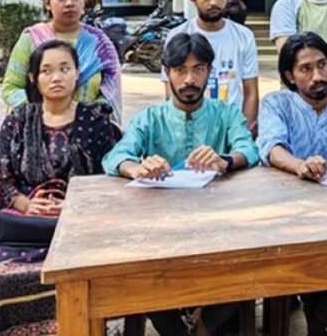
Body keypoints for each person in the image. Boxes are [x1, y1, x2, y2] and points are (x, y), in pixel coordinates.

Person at [103, 32, 258, 335]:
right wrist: (136, 168)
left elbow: (250, 149)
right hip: (163, 230)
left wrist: (225, 160)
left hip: (221, 225)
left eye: (198, 69)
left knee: (249, 267)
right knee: (141, 275)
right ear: (167, 72)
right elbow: (115, 156)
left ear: (209, 71)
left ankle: (205, 324)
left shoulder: (226, 113)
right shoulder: (150, 118)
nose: (189, 79)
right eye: (180, 70)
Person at [0, 40, 121, 335]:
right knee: (0, 279)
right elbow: (1, 182)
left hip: (81, 230)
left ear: (77, 73)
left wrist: (74, 205)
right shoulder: (17, 122)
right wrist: (26, 203)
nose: (56, 77)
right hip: (26, 232)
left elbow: (114, 180)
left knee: (81, 276)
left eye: (64, 69)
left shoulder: (97, 121)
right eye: (47, 71)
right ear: (33, 77)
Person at [258, 32, 327, 335]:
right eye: (306, 69)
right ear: (290, 76)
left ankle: (320, 315)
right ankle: (315, 315)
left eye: (322, 65)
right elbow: (272, 147)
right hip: (286, 212)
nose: (317, 76)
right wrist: (300, 166)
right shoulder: (276, 104)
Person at [3, 0, 123, 121]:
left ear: (84, 0)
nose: (69, 3)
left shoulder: (99, 43)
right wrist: (41, 114)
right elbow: (11, 87)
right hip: (39, 125)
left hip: (88, 127)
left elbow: (111, 85)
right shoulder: (31, 39)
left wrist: (91, 113)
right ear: (47, 3)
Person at [162, 0, 259, 131]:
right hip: (190, 129)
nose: (213, 2)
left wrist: (243, 135)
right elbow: (171, 91)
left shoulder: (244, 36)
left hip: (231, 130)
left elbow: (251, 93)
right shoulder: (177, 36)